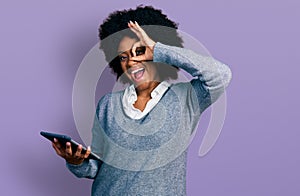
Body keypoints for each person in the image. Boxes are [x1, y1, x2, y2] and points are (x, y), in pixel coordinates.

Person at [52, 5, 232, 196]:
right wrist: (77, 162)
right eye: (123, 57)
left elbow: (220, 75)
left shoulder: (187, 98)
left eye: (139, 52)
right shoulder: (108, 105)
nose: (131, 62)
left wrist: (157, 49)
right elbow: (98, 166)